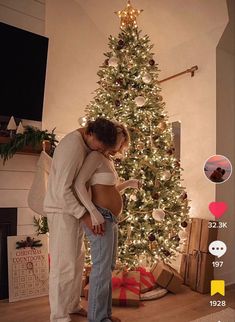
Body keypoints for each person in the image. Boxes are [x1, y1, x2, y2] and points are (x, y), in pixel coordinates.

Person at [43, 118, 118, 322]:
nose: (101, 151)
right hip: (61, 211)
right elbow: (62, 190)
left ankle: (72, 305)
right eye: (99, 146)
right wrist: (85, 215)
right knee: (62, 265)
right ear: (90, 133)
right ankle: (58, 316)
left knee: (76, 262)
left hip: (73, 211)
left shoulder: (85, 144)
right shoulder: (72, 146)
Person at [75, 123, 140, 322]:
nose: (120, 145)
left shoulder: (106, 159)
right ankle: (97, 319)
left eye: (122, 142)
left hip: (111, 219)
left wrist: (128, 184)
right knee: (101, 269)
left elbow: (108, 189)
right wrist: (93, 212)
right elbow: (78, 184)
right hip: (100, 217)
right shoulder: (95, 156)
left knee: (108, 267)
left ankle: (105, 315)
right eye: (119, 139)